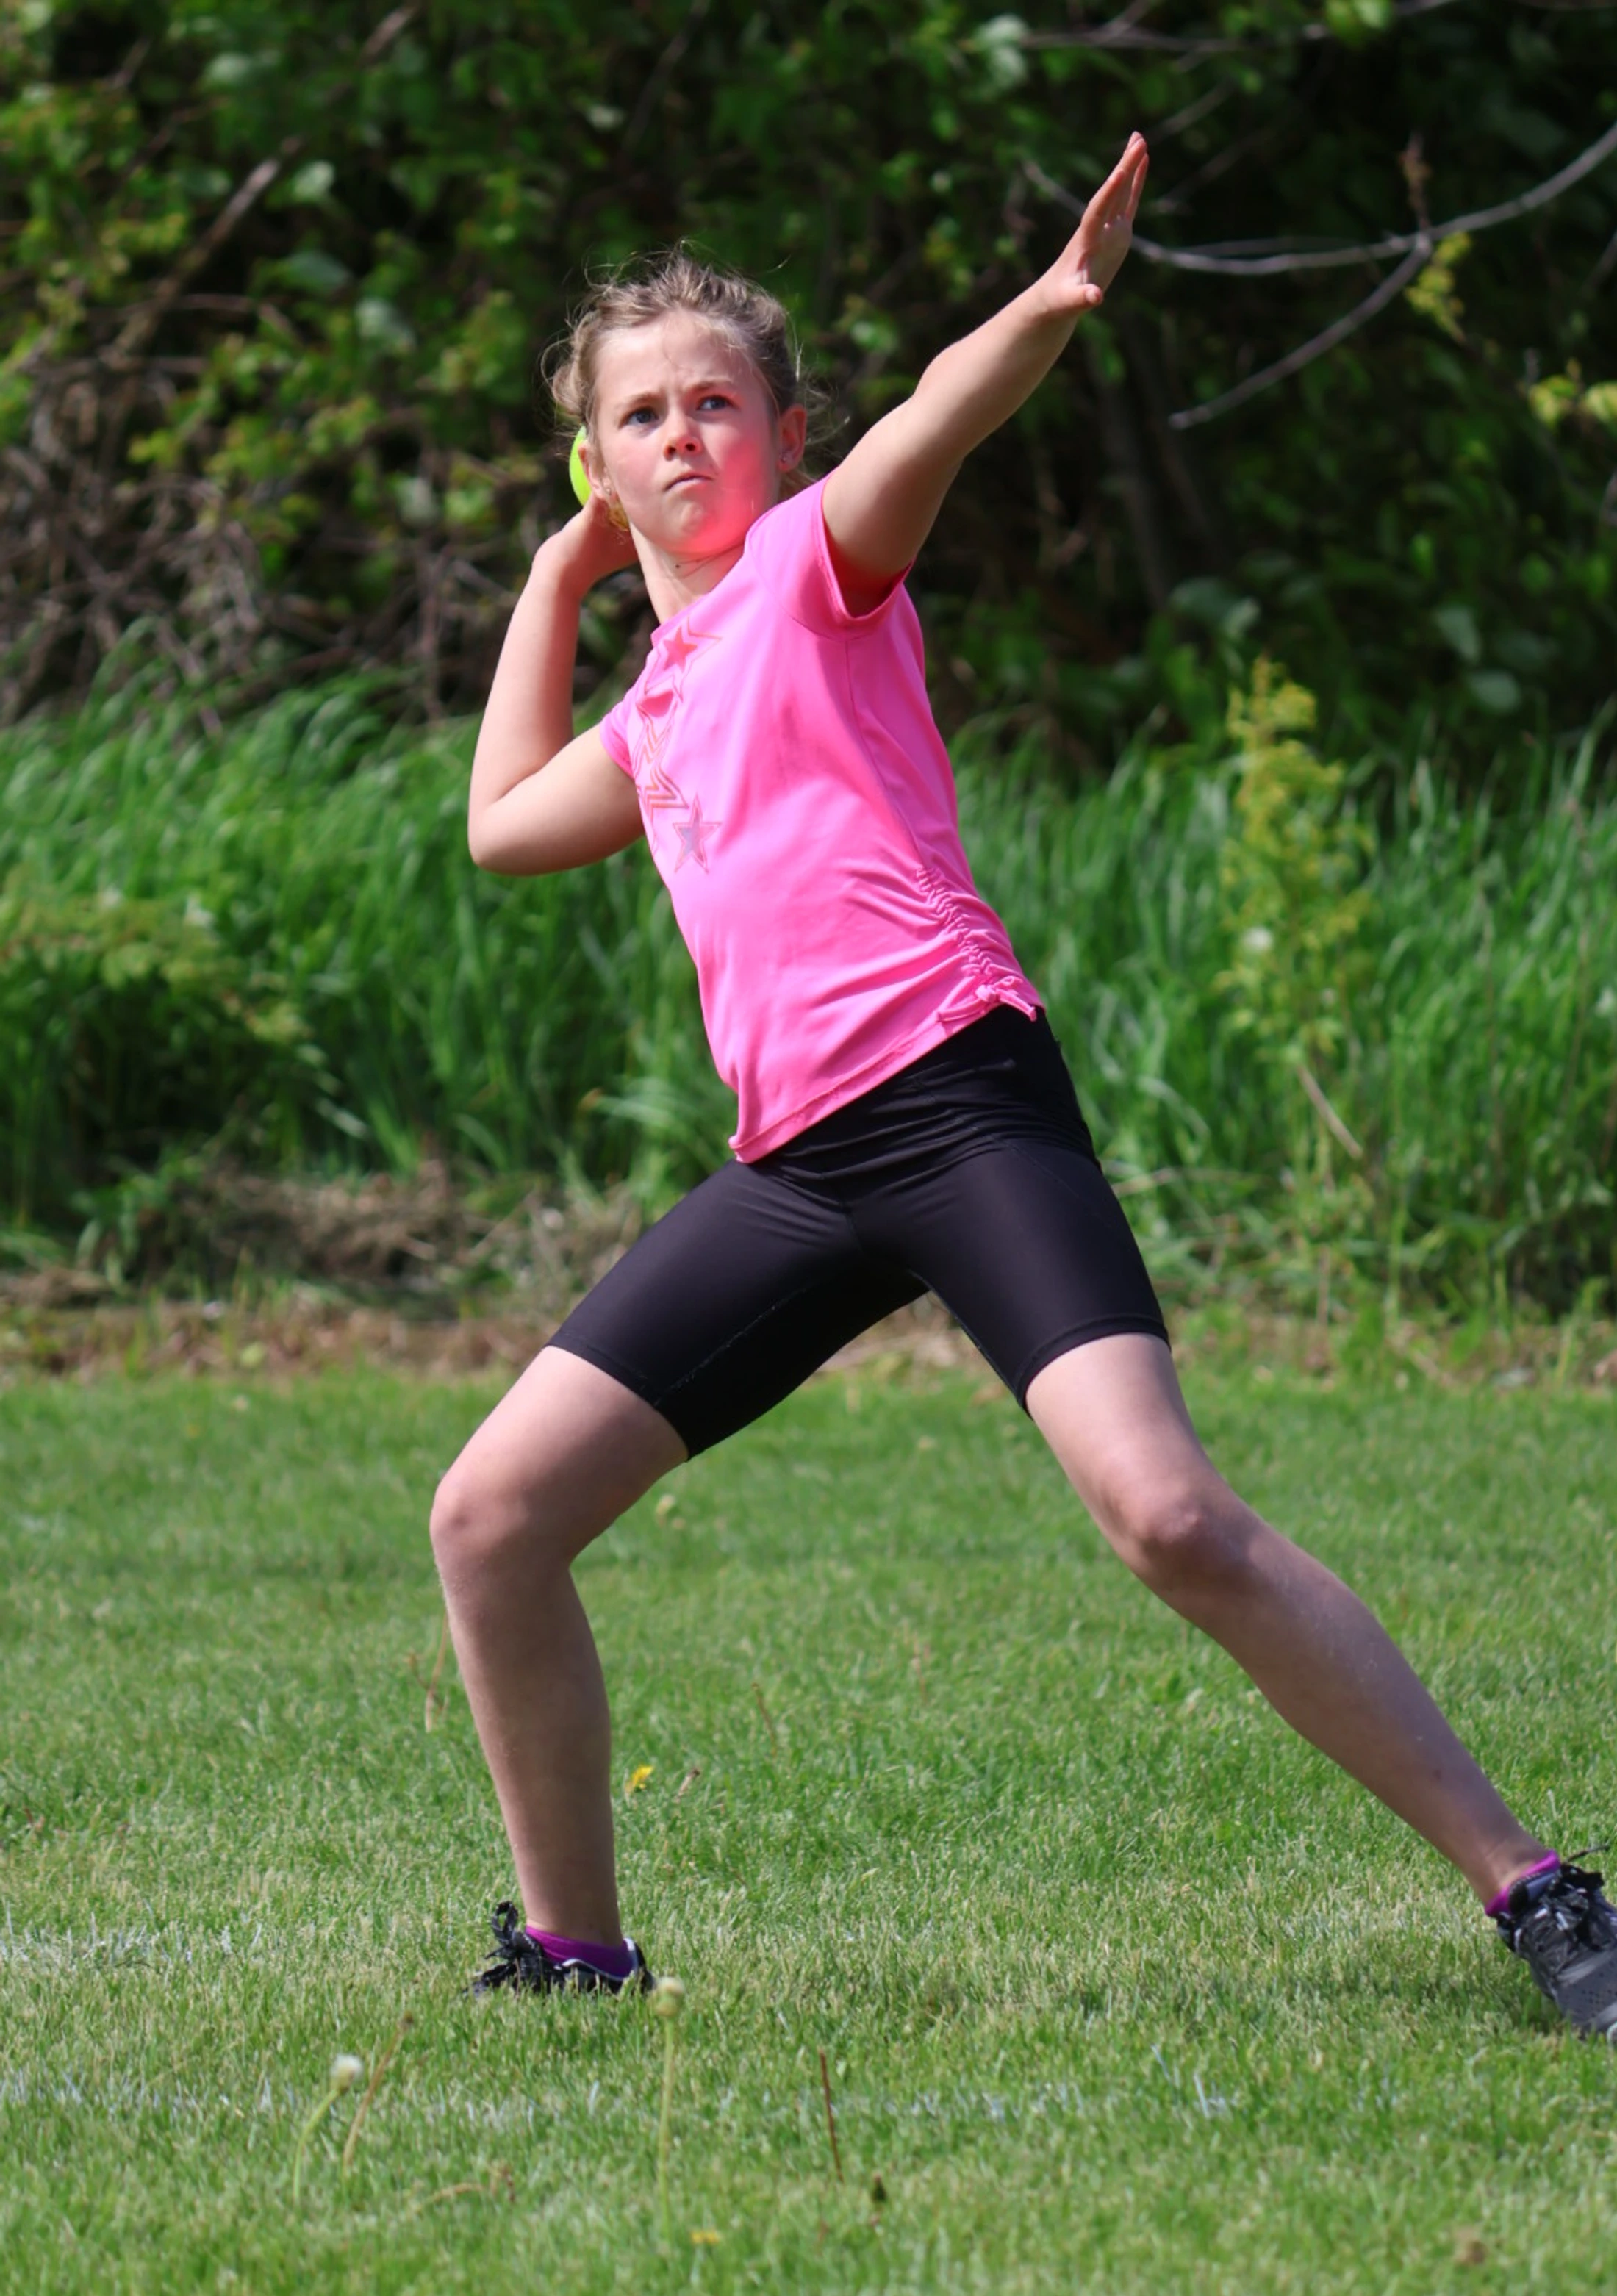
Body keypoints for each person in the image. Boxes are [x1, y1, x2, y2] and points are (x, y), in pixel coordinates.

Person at [431, 133, 1616, 2037]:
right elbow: (499, 823)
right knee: (489, 1518)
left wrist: (1050, 309)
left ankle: (1547, 1891)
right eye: (636, 414)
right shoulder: (652, 713)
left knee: (1169, 1520)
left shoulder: (823, 570)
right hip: (799, 1170)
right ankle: (575, 1950)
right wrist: (559, 582)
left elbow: (929, 427)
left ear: (782, 428)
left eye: (714, 402)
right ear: (595, 451)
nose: (677, 436)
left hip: (960, 1100)